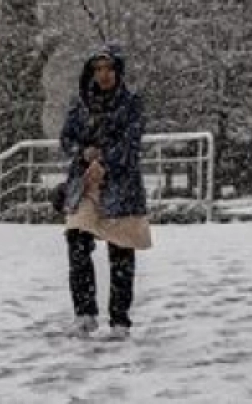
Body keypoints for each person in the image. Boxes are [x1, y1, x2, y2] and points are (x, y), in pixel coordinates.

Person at [59, 43, 151, 338]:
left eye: (109, 68)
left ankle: (120, 320)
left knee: (120, 250)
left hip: (120, 185)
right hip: (85, 183)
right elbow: (66, 139)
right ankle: (84, 313)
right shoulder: (80, 104)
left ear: (118, 71)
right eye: (97, 69)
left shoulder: (131, 103)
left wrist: (107, 161)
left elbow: (131, 143)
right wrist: (82, 153)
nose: (103, 74)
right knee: (77, 240)